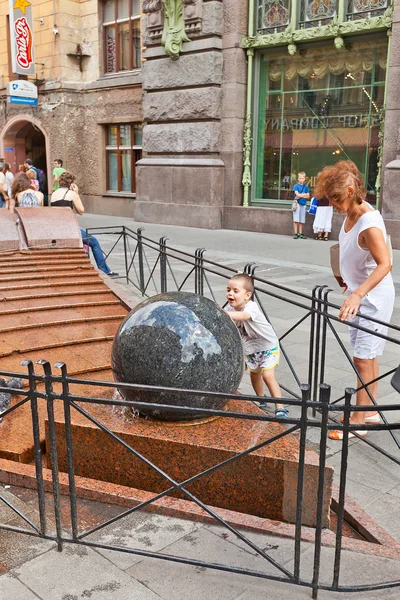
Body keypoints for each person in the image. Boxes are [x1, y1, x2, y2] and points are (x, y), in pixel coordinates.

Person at [314, 160, 394, 440]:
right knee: (367, 356)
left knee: (363, 358)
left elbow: (386, 265)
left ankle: (358, 422)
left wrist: (358, 294)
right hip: (358, 294)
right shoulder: (351, 215)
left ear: (350, 190)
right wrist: (345, 277)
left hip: (371, 297)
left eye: (335, 199)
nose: (333, 205)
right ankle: (369, 409)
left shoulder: (369, 223)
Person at [225, 273, 288, 419]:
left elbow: (243, 317)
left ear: (247, 295)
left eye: (235, 291)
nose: (230, 294)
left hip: (267, 347)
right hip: (251, 348)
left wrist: (224, 313)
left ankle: (280, 407)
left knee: (268, 376)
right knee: (254, 374)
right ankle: (261, 399)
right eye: (228, 290)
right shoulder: (230, 308)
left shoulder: (251, 307)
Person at [50, 171, 118, 277]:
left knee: (85, 242)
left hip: (58, 228)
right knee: (94, 242)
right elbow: (81, 211)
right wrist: (76, 193)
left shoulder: (54, 194)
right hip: (70, 228)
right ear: (72, 184)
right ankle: (105, 270)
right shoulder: (71, 194)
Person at [292, 171, 310, 239]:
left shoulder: (306, 187)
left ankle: (300, 232)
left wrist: (301, 195)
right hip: (297, 203)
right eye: (300, 178)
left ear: (304, 179)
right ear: (298, 179)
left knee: (302, 219)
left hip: (303, 203)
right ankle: (295, 233)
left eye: (302, 178)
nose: (301, 180)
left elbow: (308, 196)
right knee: (296, 218)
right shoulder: (296, 186)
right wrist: (304, 195)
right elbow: (297, 194)